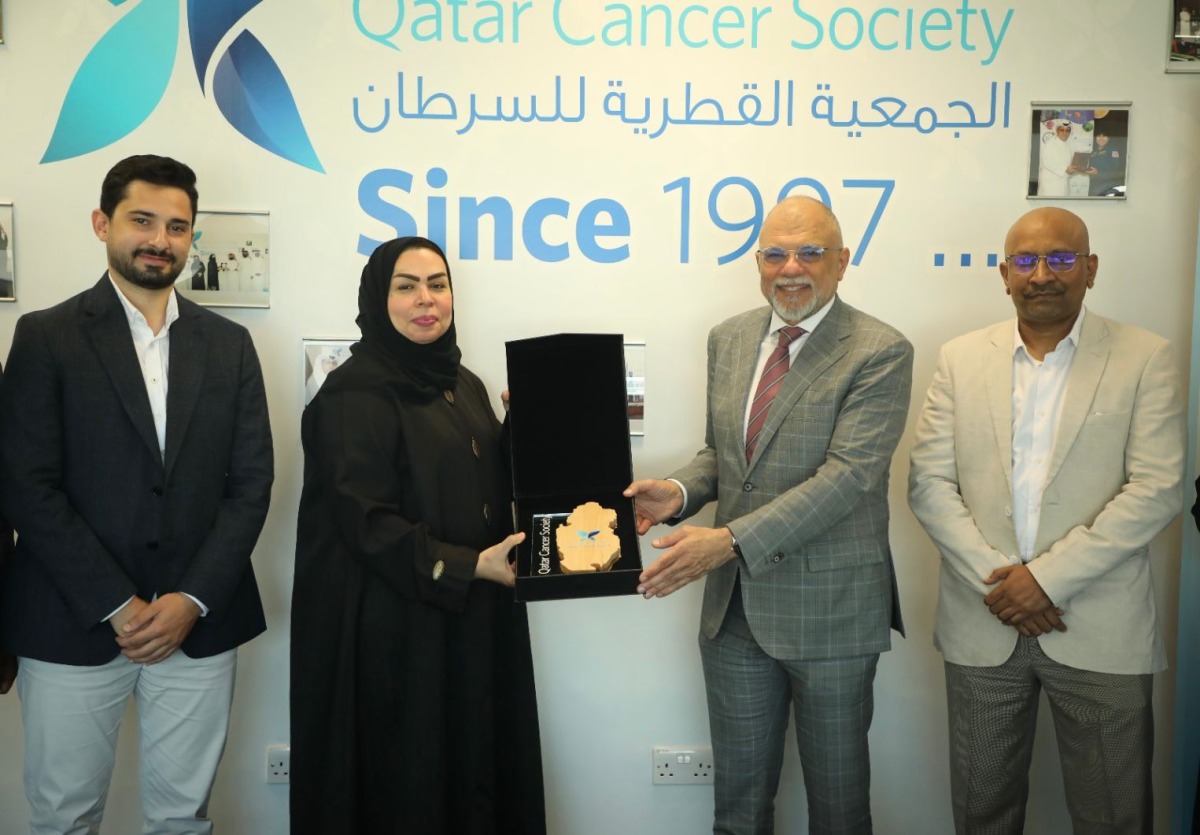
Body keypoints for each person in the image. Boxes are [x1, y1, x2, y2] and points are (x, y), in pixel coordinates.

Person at [0, 154, 274, 833]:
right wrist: (118, 604)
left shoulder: (231, 345)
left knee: (183, 819)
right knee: (63, 818)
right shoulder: (46, 336)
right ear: (103, 224)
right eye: (142, 220)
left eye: (177, 226)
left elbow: (251, 485)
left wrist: (191, 599)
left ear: (192, 237)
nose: (160, 239)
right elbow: (25, 484)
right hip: (70, 620)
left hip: (198, 625)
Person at [624, 196, 913, 834]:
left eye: (810, 252)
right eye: (775, 254)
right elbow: (724, 455)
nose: (791, 268)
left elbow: (847, 477)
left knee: (839, 812)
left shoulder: (881, 349)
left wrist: (727, 540)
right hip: (736, 616)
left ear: (842, 260)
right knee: (739, 811)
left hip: (833, 613)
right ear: (758, 262)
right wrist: (678, 491)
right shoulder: (728, 338)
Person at [908, 206, 1184, 834]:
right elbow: (928, 484)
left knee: (1113, 815)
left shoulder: (1145, 357)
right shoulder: (959, 358)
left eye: (1061, 259)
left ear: (1091, 268)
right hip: (984, 620)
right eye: (1026, 261)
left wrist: (1047, 581)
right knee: (982, 812)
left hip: (1103, 626)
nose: (1042, 275)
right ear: (1004, 273)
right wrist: (1004, 585)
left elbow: (1156, 488)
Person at [290, 236, 545, 834]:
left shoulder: (465, 383)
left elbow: (481, 480)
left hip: (468, 622)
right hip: (394, 636)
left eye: (437, 284)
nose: (426, 300)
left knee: (473, 773)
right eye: (406, 287)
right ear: (378, 300)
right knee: (409, 783)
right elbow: (365, 522)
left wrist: (527, 428)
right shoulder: (352, 395)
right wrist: (468, 566)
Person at [1036, 120, 1078, 197]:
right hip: (1050, 186)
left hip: (1063, 185)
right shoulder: (1050, 144)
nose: (1065, 133)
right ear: (1057, 131)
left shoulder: (1068, 146)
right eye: (1062, 130)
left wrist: (1073, 169)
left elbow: (1069, 165)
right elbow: (1047, 163)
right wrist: (1065, 169)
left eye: (1067, 131)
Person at [1087, 128, 1125, 196]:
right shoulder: (1093, 151)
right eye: (1099, 136)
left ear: (1108, 138)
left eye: (1104, 136)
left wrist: (1098, 173)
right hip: (1093, 184)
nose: (1101, 138)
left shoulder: (1114, 151)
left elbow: (1115, 169)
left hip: (1107, 186)